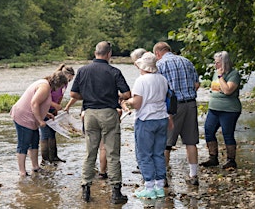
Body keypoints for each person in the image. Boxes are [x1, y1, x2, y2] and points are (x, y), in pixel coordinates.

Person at [70, 41, 131, 204]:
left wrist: (89, 96)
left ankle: (86, 189)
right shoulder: (114, 71)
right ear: (109, 54)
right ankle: (116, 192)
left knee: (90, 152)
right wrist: (115, 96)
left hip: (89, 114)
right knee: (112, 153)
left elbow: (73, 94)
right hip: (109, 113)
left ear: (95, 52)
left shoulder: (83, 70)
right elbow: (127, 93)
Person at [124, 52, 170, 199]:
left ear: (143, 66)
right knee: (158, 153)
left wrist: (127, 102)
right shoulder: (163, 79)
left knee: (144, 154)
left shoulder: (141, 80)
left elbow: (137, 103)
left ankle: (149, 187)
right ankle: (160, 187)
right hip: (162, 118)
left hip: (146, 119)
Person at [153, 42, 201, 186]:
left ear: (157, 53)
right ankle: (193, 176)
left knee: (166, 143)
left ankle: (163, 177)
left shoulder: (161, 65)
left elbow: (159, 88)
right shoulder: (186, 61)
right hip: (190, 103)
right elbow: (197, 84)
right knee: (191, 142)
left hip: (173, 106)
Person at [11, 71, 69, 177]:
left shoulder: (46, 85)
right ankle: (22, 172)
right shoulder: (44, 87)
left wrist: (46, 114)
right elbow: (34, 103)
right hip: (23, 116)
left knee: (34, 142)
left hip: (31, 116)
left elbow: (40, 103)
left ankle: (35, 167)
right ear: (58, 83)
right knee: (23, 144)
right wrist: (40, 120)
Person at [200, 51, 241, 170]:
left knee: (227, 134)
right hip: (214, 108)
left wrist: (220, 77)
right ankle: (213, 157)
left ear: (224, 63)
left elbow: (228, 90)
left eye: (217, 62)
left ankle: (231, 160)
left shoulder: (234, 74)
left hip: (229, 109)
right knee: (208, 131)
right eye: (215, 62)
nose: (215, 64)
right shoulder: (215, 73)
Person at [39, 64, 75, 165]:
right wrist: (54, 105)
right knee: (45, 134)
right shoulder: (50, 83)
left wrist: (57, 107)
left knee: (52, 133)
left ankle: (54, 157)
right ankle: (45, 159)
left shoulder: (64, 84)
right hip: (44, 109)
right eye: (69, 79)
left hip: (53, 110)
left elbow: (60, 96)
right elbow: (43, 98)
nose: (69, 82)